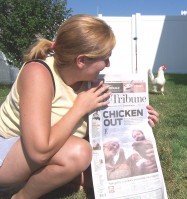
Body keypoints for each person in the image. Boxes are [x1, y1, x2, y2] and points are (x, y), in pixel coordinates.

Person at [0, 14, 159, 199]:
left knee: (104, 171)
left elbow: (101, 134)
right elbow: (38, 152)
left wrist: (139, 120)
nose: (108, 65)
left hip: (43, 152)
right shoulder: (38, 73)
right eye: (105, 59)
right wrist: (79, 108)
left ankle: (63, 179)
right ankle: (21, 196)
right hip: (7, 151)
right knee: (79, 153)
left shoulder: (90, 81)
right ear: (81, 61)